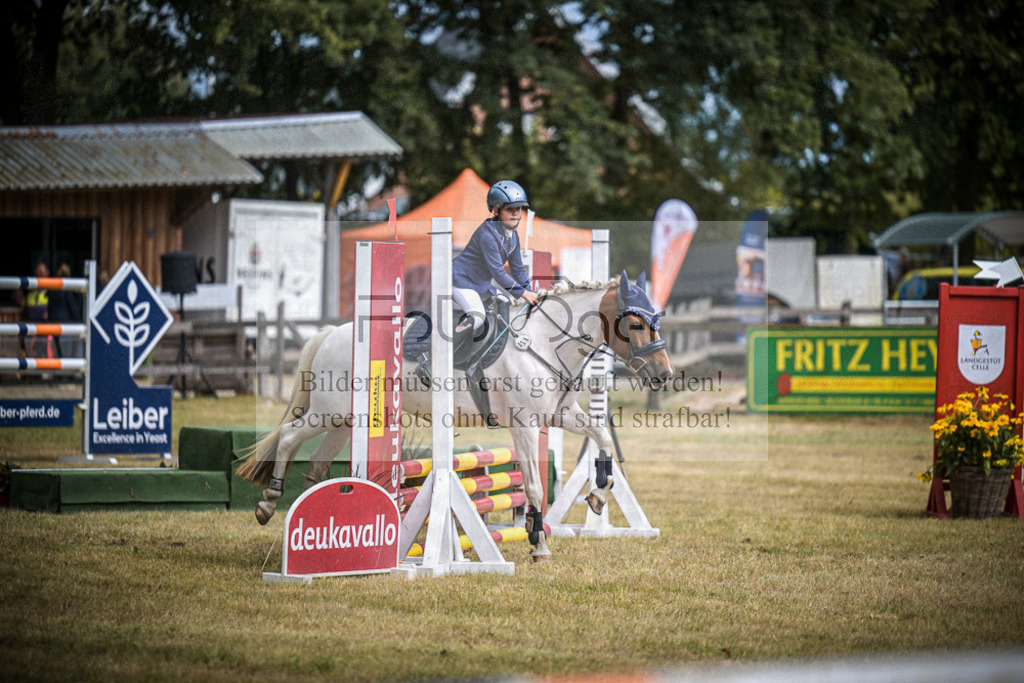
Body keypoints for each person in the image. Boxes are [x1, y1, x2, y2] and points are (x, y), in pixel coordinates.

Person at [451, 180, 540, 349]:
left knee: (504, 301)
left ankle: (491, 349)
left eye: (518, 209)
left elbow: (518, 269)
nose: (515, 214)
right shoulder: (488, 235)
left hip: (478, 282)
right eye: (509, 209)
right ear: (496, 210)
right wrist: (524, 294)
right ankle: (441, 352)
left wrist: (530, 292)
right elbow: (498, 273)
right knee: (477, 317)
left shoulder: (513, 236)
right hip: (460, 280)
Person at [48, 263, 83, 358]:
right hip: (65, 324)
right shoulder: (67, 287)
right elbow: (72, 307)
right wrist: (79, 321)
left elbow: (49, 306)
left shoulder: (52, 286)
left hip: (52, 323)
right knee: (66, 355)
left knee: (56, 352)